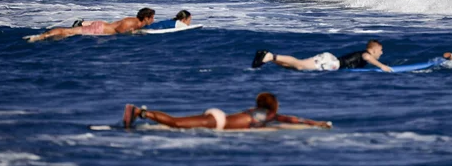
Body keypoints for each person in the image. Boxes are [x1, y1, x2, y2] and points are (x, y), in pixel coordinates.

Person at [122, 92, 332, 130]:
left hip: (218, 117)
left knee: (179, 122)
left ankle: (143, 113)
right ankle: (141, 112)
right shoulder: (268, 115)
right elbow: (293, 119)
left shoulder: (255, 111)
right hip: (217, 122)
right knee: (177, 123)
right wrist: (317, 124)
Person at [251, 39, 393, 72]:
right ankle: (270, 56)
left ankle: (268, 59)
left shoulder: (365, 53)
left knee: (296, 67)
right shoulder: (367, 54)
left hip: (330, 62)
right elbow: (367, 58)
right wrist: (383, 67)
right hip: (332, 62)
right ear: (374, 50)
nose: (382, 53)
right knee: (299, 64)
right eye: (380, 50)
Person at [25, 8, 155, 42]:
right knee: (68, 32)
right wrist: (132, 34)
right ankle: (39, 37)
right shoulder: (131, 22)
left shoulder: (137, 23)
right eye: (152, 18)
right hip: (100, 29)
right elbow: (120, 31)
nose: (153, 20)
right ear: (146, 17)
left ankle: (80, 23)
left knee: (68, 33)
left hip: (102, 27)